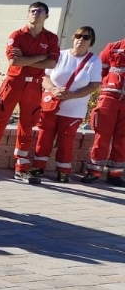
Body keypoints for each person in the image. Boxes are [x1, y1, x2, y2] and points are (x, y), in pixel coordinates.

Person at [0, 2, 60, 182]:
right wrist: (40, 57)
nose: (35, 14)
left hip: (34, 86)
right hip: (14, 83)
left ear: (46, 16)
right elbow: (14, 61)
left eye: (39, 11)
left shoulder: (51, 38)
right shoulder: (17, 35)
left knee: (27, 127)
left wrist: (25, 59)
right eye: (32, 11)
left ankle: (21, 169)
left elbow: (52, 63)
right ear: (27, 14)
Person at [32, 27, 100, 183]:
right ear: (73, 38)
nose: (81, 39)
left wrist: (74, 95)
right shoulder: (60, 55)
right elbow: (44, 76)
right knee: (44, 137)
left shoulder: (94, 61)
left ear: (91, 41)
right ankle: (37, 168)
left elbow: (94, 84)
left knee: (66, 141)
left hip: (74, 109)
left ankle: (63, 171)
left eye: (86, 37)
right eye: (78, 35)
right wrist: (53, 89)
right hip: (51, 105)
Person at [87, 30, 125, 185]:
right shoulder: (113, 47)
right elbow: (99, 72)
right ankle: (94, 171)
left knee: (122, 139)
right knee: (102, 135)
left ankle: (114, 174)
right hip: (110, 97)